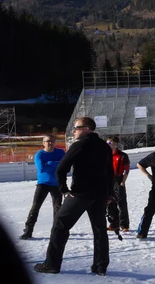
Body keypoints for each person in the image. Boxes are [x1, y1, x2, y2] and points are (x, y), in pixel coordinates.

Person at [34, 117, 114, 275]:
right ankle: (100, 266)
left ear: (87, 128)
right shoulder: (104, 146)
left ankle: (52, 264)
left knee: (60, 225)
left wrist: (63, 189)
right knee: (99, 230)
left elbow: (61, 168)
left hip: (81, 194)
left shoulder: (79, 145)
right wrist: (109, 193)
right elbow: (110, 173)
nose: (74, 131)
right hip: (99, 195)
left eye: (76, 127)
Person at [20, 134, 65, 240]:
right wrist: (55, 164)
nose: (50, 143)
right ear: (43, 143)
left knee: (58, 209)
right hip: (43, 184)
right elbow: (41, 169)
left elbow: (64, 164)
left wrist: (49, 163)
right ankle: (28, 230)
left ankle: (57, 231)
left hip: (57, 184)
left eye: (52, 141)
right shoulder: (39, 155)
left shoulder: (60, 152)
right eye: (48, 141)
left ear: (55, 142)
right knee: (35, 207)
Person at [106, 136, 130, 232]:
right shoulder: (104, 155)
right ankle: (114, 223)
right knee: (109, 202)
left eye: (110, 143)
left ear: (115, 145)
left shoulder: (122, 155)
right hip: (107, 181)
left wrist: (123, 181)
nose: (108, 145)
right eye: (107, 143)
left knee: (121, 202)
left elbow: (126, 169)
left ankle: (124, 224)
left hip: (118, 180)